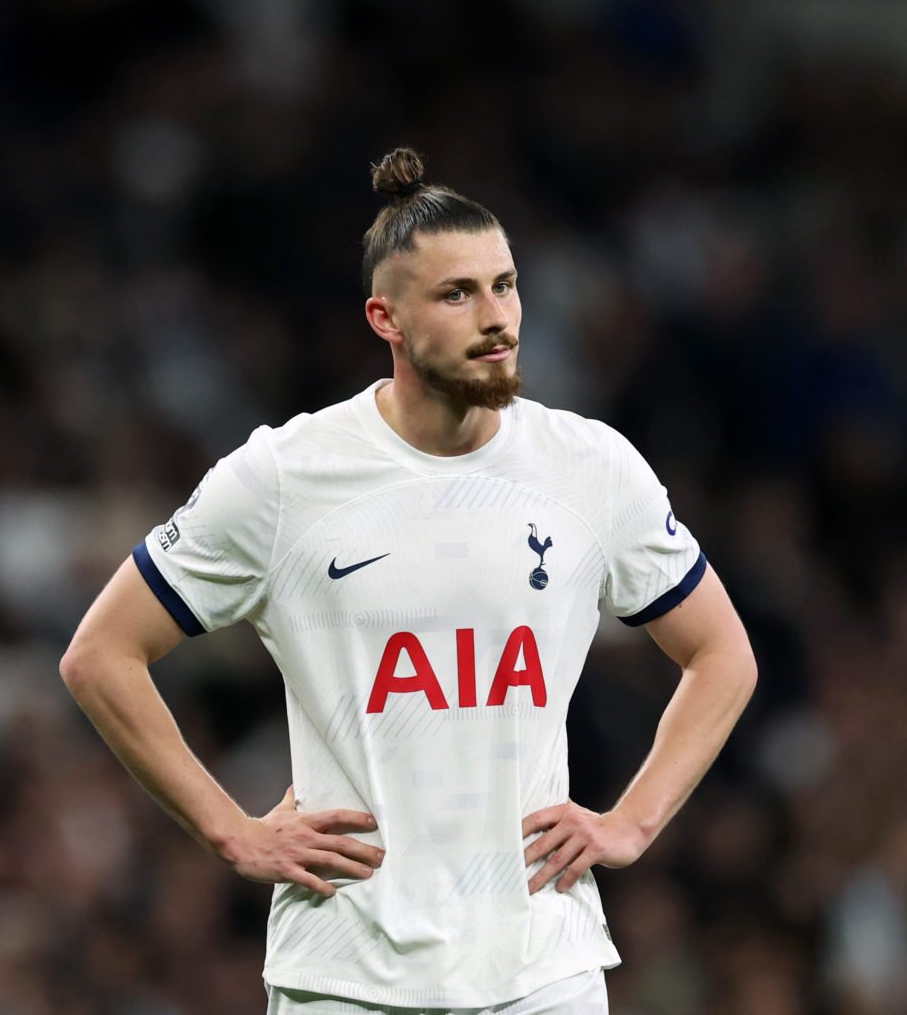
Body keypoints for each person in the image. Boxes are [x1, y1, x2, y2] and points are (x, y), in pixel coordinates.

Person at [59, 147, 758, 1014]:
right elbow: (101, 653)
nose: (497, 316)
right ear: (384, 318)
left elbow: (723, 652)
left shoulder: (590, 467)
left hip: (541, 969)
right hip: (347, 975)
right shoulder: (286, 477)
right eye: (457, 294)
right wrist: (229, 829)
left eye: (505, 285)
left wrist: (633, 821)